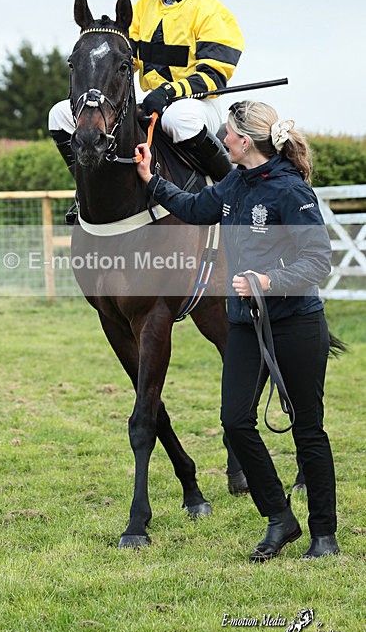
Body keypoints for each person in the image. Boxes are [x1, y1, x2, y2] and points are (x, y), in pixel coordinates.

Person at [135, 100, 339, 562]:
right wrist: (151, 180)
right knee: (234, 422)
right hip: (245, 325)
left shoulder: (291, 192)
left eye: (226, 133)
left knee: (308, 429)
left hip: (297, 324)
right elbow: (193, 206)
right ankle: (280, 518)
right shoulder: (232, 183)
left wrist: (268, 282)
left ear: (245, 142)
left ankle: (323, 535)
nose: (221, 139)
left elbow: (318, 261)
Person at [49, 0, 245, 222]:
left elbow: (214, 75)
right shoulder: (142, 8)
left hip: (196, 104)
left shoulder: (212, 12)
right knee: (60, 113)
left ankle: (235, 191)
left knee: (181, 119)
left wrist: (168, 93)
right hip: (150, 103)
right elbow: (123, 64)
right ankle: (86, 191)